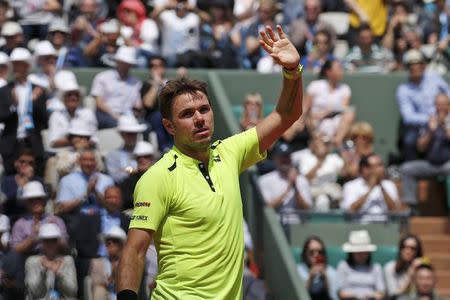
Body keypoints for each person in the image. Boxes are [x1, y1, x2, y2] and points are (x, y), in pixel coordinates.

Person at [117, 25, 303, 299]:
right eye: (188, 113)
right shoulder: (157, 178)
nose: (200, 118)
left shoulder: (230, 152)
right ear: (169, 126)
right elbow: (134, 250)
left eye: (204, 109)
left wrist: (292, 72)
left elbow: (287, 115)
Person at [0, 47, 48, 177]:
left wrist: (32, 102)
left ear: (26, 66)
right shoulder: (5, 90)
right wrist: (14, 106)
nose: (16, 68)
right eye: (14, 64)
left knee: (36, 176)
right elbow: (1, 116)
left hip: (32, 141)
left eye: (19, 64)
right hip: (11, 143)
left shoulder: (38, 91)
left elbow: (44, 120)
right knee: (10, 179)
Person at [396, 49, 450, 161]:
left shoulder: (433, 77)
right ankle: (413, 168)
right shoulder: (403, 90)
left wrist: (444, 115)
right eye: (411, 65)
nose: (415, 68)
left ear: (423, 65)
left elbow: (448, 93)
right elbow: (408, 116)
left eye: (418, 64)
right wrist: (430, 120)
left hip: (445, 118)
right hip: (421, 125)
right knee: (409, 141)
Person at [400, 93, 450, 205]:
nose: (440, 108)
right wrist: (431, 132)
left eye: (443, 104)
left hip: (447, 164)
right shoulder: (429, 122)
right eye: (438, 105)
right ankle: (411, 206)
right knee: (407, 169)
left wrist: (444, 125)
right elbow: (420, 147)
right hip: (430, 164)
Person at [304, 59, 354, 147]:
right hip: (315, 122)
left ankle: (337, 142)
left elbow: (343, 108)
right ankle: (316, 140)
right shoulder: (315, 85)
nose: (341, 71)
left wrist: (325, 113)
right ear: (328, 72)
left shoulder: (345, 89)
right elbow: (305, 107)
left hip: (336, 123)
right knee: (308, 116)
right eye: (338, 68)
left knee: (350, 113)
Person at [258, 142, 312, 223]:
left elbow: (306, 208)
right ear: (275, 158)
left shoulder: (301, 180)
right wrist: (288, 188)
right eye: (282, 157)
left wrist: (295, 186)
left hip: (297, 225)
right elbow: (268, 207)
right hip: (276, 224)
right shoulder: (265, 180)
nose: (286, 160)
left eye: (288, 156)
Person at [90, 46, 142, 129]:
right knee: (117, 124)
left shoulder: (136, 82)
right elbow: (99, 103)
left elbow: (137, 105)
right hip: (106, 114)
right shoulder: (102, 77)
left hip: (128, 115)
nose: (125, 65)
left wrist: (134, 115)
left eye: (128, 63)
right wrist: (116, 116)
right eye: (123, 62)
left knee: (145, 126)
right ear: (117, 61)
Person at [292, 132, 344, 211]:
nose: (322, 145)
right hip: (313, 189)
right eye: (320, 142)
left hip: (331, 189)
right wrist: (319, 161)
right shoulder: (306, 157)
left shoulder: (333, 158)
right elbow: (305, 179)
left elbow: (346, 172)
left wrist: (341, 150)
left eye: (325, 143)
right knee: (322, 200)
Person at [24, 223, 77, 299]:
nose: (50, 244)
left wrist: (59, 273)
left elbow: (72, 292)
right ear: (41, 242)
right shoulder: (32, 261)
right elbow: (34, 292)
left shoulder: (68, 260)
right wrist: (43, 271)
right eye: (46, 240)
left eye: (53, 240)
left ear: (58, 242)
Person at [342, 153, 399, 222]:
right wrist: (371, 188)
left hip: (384, 226)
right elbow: (351, 210)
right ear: (365, 169)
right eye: (376, 166)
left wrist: (381, 186)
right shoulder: (351, 186)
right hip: (360, 227)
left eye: (380, 165)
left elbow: (394, 209)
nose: (380, 169)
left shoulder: (389, 185)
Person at [56, 148, 114, 216]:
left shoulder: (107, 180)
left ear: (96, 162)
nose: (88, 164)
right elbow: (62, 208)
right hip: (77, 219)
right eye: (85, 160)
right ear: (79, 162)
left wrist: (95, 192)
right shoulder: (67, 180)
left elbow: (112, 207)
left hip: (102, 218)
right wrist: (85, 195)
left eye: (91, 160)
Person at [336, 230, 386, 300]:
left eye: (364, 252)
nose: (361, 255)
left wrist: (369, 296)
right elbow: (341, 293)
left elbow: (381, 293)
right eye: (358, 252)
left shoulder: (376, 267)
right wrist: (357, 296)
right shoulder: (343, 266)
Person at [1, 149, 41, 223]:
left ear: (34, 166)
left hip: (33, 219)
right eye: (22, 161)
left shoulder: (38, 181)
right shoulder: (7, 180)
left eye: (30, 163)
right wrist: (23, 183)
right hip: (12, 218)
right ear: (16, 163)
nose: (26, 165)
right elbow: (5, 201)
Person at [89, 226, 128, 300]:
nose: (111, 243)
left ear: (122, 244)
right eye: (108, 241)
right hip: (105, 296)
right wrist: (111, 278)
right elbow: (96, 283)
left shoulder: (128, 264)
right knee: (99, 290)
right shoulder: (97, 263)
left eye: (115, 240)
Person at [105, 115, 146, 183]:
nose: (132, 136)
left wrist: (126, 170)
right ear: (122, 134)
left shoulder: (146, 151)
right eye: (129, 134)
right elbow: (116, 177)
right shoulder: (113, 155)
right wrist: (135, 170)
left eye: (134, 133)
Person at [297, 236, 338, 300]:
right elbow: (297, 296)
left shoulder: (330, 271)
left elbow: (334, 297)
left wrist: (325, 278)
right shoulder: (299, 271)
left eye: (320, 252)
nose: (316, 255)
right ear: (305, 254)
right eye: (311, 252)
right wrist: (310, 278)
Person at [119, 141, 156, 210]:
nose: (142, 159)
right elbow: (127, 201)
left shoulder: (163, 177)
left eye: (146, 156)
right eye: (139, 157)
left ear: (153, 159)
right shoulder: (128, 182)